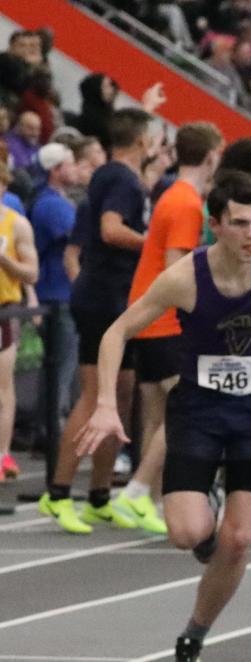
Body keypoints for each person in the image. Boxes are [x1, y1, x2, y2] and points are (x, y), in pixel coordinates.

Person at [77, 173, 251, 662]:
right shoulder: (186, 277)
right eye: (240, 224)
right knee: (187, 532)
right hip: (199, 408)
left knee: (238, 539)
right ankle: (206, 511)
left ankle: (194, 633)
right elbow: (117, 331)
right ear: (215, 227)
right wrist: (106, 404)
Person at [39, 108, 159, 534]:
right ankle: (57, 493)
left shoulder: (120, 177)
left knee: (120, 396)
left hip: (117, 297)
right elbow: (110, 229)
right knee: (96, 397)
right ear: (143, 141)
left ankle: (99, 495)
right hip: (103, 297)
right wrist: (156, 244)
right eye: (154, 137)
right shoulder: (120, 178)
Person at [115, 121, 225, 536]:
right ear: (211, 155)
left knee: (158, 416)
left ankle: (152, 499)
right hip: (164, 320)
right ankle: (137, 492)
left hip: (150, 316)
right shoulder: (185, 203)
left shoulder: (173, 195)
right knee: (183, 412)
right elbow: (179, 266)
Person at [30, 142, 84, 479]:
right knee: (60, 371)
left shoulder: (61, 202)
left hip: (62, 293)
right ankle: (51, 433)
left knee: (62, 370)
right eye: (70, 163)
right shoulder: (51, 205)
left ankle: (49, 431)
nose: (76, 168)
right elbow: (79, 238)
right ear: (55, 170)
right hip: (56, 293)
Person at [0, 160, 38, 481]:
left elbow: (31, 272)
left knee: (2, 387)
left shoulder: (16, 224)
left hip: (4, 309)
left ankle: (2, 454)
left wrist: (3, 258)